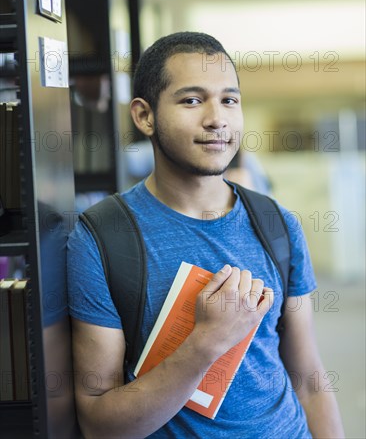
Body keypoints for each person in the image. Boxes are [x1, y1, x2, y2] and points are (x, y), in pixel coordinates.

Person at [67, 32, 344, 438]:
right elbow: (100, 424)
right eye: (192, 100)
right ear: (144, 116)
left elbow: (310, 379)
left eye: (229, 100)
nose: (218, 118)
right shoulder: (101, 237)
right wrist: (208, 340)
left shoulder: (276, 224)